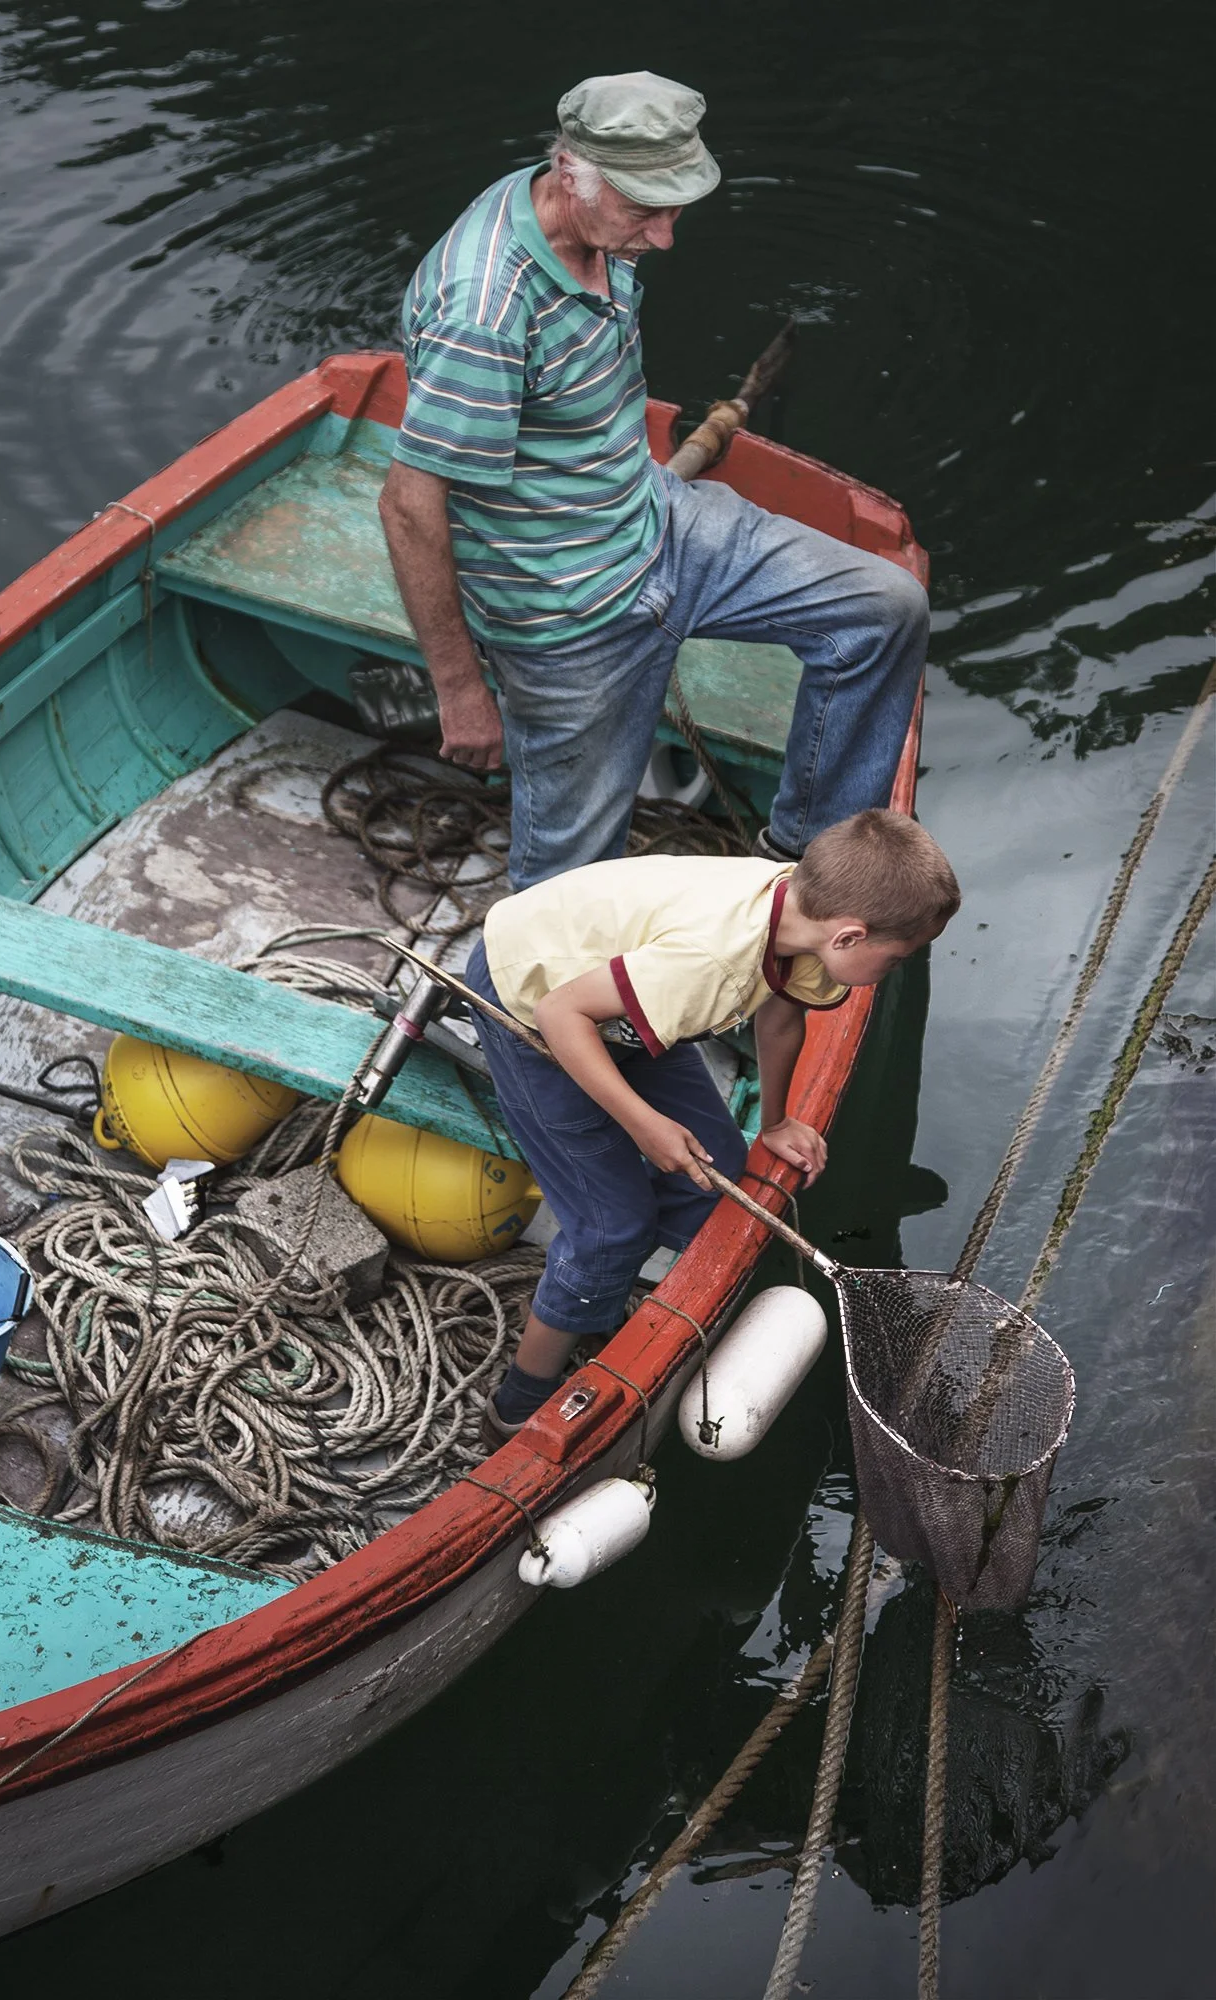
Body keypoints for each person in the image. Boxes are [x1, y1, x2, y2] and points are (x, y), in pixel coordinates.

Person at [379, 71, 930, 889]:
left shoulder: (594, 228)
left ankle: (803, 866)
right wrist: (460, 691)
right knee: (564, 889)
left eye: (674, 209)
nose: (664, 238)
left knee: (883, 608)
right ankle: (512, 1018)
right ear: (570, 173)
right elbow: (408, 505)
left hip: (654, 519)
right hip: (564, 615)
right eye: (645, 211)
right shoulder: (485, 310)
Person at [467, 808, 960, 1441]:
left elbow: (783, 1016)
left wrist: (776, 1122)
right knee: (609, 1229)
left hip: (622, 994)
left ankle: (630, 1293)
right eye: (894, 960)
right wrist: (645, 1125)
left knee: (720, 1173)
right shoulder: (712, 961)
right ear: (848, 936)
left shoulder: (800, 912)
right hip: (533, 997)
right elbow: (562, 1013)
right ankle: (516, 1403)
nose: (891, 973)